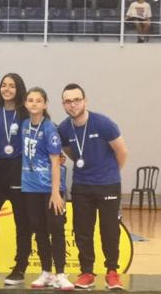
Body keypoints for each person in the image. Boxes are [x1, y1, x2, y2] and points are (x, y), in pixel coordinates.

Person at [58, 83, 127, 290]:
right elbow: (71, 152)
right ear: (63, 104)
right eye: (68, 101)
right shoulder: (63, 128)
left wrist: (111, 174)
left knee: (110, 231)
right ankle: (87, 272)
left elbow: (121, 152)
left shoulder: (103, 123)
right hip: (81, 186)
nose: (73, 105)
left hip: (108, 185)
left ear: (85, 101)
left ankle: (112, 272)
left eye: (76, 100)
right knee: (82, 231)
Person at [21, 87, 74, 291]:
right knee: (39, 231)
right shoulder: (25, 125)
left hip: (50, 190)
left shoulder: (50, 128)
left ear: (45, 104)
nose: (34, 104)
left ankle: (61, 273)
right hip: (30, 188)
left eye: (38, 100)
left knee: (56, 230)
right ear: (25, 104)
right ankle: (46, 272)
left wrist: (55, 193)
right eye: (30, 100)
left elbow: (55, 162)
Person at [0, 73, 31, 285]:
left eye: (12, 86)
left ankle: (20, 266)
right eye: (4, 85)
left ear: (18, 89)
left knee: (22, 221)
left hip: (20, 169)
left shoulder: (26, 112)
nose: (7, 89)